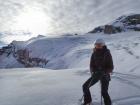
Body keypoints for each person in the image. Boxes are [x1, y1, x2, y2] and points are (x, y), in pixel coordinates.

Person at [82, 38, 114, 105]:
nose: (98, 46)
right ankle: (88, 101)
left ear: (103, 45)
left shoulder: (107, 53)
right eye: (96, 45)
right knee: (85, 86)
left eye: (100, 45)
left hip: (105, 74)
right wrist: (93, 71)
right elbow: (91, 65)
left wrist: (104, 71)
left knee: (104, 91)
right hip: (96, 74)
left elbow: (111, 67)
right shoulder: (94, 53)